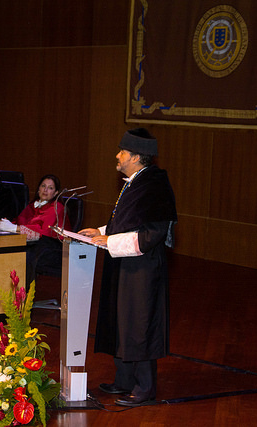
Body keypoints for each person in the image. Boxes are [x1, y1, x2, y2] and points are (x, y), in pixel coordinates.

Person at [79, 128, 177, 407]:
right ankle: (124, 379)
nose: (117, 156)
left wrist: (108, 239)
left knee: (139, 324)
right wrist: (97, 231)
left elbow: (151, 235)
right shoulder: (135, 181)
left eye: (122, 152)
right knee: (120, 320)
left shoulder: (154, 185)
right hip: (124, 264)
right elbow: (126, 224)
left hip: (142, 269)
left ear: (135, 156)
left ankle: (145, 388)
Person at [0, 174, 65, 286]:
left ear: (56, 193)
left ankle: (24, 299)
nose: (45, 190)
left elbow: (43, 231)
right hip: (33, 245)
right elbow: (19, 221)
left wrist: (14, 228)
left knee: (23, 256)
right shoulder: (32, 205)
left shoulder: (57, 207)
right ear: (38, 188)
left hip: (50, 250)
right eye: (43, 186)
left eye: (50, 188)